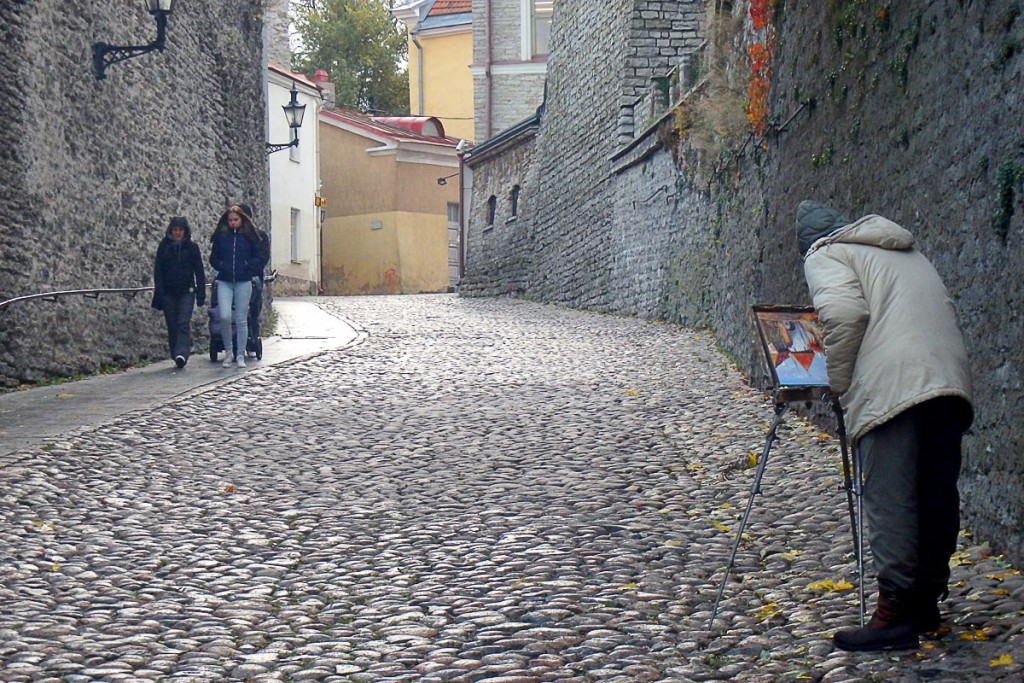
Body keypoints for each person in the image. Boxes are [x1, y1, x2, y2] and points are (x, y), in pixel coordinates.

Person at [797, 200, 974, 652]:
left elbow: (844, 314)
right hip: (948, 380)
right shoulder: (903, 251)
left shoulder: (825, 253)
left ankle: (895, 612)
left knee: (890, 495)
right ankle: (927, 601)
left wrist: (836, 381)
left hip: (893, 384)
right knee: (936, 493)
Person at [209, 205, 264, 369]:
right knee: (225, 316)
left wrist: (249, 266)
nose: (233, 223)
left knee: (241, 319)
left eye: (236, 220)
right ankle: (228, 352)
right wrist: (221, 266)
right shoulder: (221, 236)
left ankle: (240, 354)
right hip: (225, 280)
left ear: (241, 220)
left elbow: (259, 256)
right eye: (230, 220)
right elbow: (213, 258)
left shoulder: (249, 236)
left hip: (243, 281)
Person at [151, 216, 206, 368]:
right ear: (171, 230)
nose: (177, 233)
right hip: (168, 291)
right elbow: (158, 270)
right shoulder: (164, 246)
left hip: (187, 290)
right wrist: (160, 291)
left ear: (185, 231)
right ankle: (175, 352)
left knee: (183, 322)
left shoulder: (192, 248)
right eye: (175, 230)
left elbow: (199, 271)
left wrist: (201, 292)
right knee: (172, 324)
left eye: (180, 230)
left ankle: (182, 352)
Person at [238, 203, 270, 355]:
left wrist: (247, 267)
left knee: (253, 310)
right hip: (236, 278)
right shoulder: (233, 236)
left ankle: (253, 338)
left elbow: (262, 257)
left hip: (253, 278)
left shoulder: (260, 236)